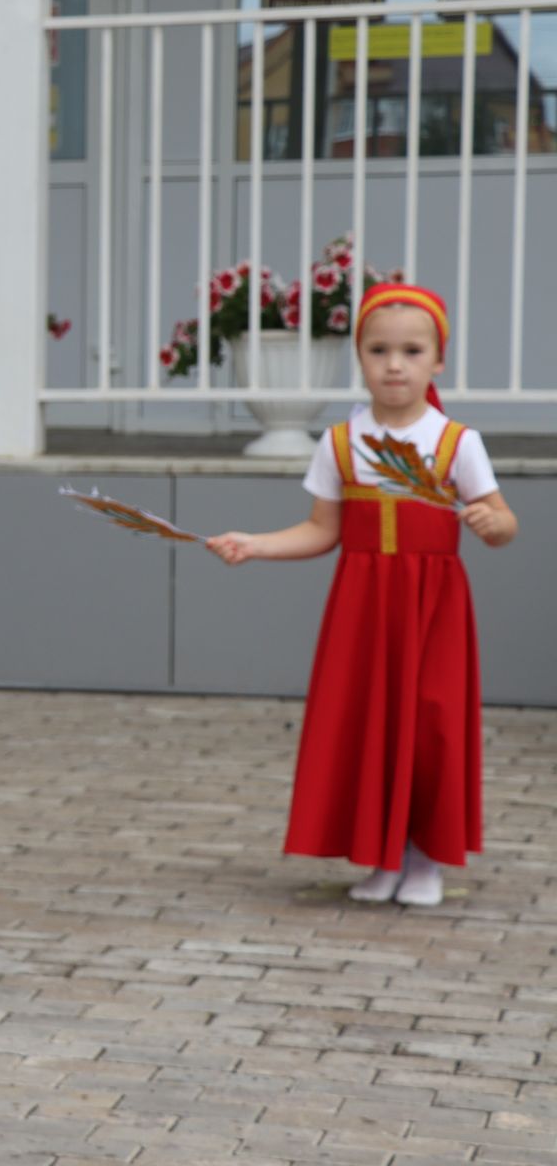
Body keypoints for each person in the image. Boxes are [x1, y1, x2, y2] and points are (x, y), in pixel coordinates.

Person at [207, 283, 518, 907]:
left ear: (438, 359)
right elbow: (323, 529)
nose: (394, 364)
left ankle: (427, 859)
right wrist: (256, 544)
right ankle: (381, 857)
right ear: (360, 357)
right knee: (368, 724)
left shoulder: (458, 442)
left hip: (434, 608)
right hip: (362, 608)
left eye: (411, 350)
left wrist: (493, 524)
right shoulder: (341, 443)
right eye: (379, 350)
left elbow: (501, 520)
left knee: (431, 723)